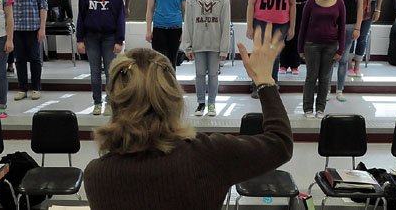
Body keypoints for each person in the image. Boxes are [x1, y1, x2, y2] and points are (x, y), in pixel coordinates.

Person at [84, 25, 293, 210]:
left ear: (115, 102)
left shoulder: (97, 176)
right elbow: (280, 143)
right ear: (174, 98)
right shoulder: (209, 155)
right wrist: (265, 82)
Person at [246, 0, 297, 99]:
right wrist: (249, 26)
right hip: (261, 22)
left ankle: (272, 84)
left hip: (282, 23)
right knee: (260, 54)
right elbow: (251, 4)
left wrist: (292, 27)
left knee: (274, 55)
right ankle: (257, 85)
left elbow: (293, 4)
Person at [76, 0, 126, 116]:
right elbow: (81, 17)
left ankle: (110, 103)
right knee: (95, 72)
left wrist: (119, 40)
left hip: (110, 38)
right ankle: (97, 102)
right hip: (91, 38)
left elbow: (120, 18)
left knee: (111, 73)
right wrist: (79, 39)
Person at [183, 0, 230, 117]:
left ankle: (212, 104)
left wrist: (224, 49)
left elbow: (225, 23)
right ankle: (201, 103)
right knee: (200, 74)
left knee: (214, 75)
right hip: (198, 43)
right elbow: (188, 22)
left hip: (215, 44)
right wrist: (187, 46)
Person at [298, 0, 345, 118]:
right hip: (311, 45)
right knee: (311, 77)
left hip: (330, 46)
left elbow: (342, 28)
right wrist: (300, 48)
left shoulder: (340, 3)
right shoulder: (311, 3)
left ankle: (320, 108)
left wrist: (340, 49)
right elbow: (303, 26)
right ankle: (307, 108)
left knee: (325, 78)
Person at [4, 0, 47, 101]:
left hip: (32, 27)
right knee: (19, 58)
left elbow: (43, 6)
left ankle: (36, 87)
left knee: (35, 58)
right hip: (15, 28)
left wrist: (42, 28)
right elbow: (3, 7)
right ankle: (22, 88)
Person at [334, 0, 366, 102]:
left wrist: (358, 27)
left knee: (343, 59)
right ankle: (326, 89)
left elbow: (361, 7)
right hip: (333, 26)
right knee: (329, 59)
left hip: (350, 25)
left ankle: (339, 90)